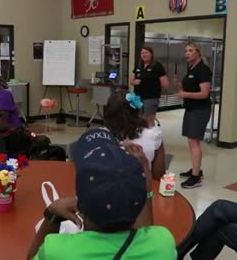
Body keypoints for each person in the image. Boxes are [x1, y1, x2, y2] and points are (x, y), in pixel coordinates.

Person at [27, 129, 177, 260]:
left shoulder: (57, 251)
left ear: (79, 204)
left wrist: (52, 214)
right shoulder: (163, 244)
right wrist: (146, 180)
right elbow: (147, 234)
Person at [104, 91, 166, 180]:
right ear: (137, 111)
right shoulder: (154, 136)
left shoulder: (101, 136)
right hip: (141, 189)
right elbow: (158, 176)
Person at [174, 43, 212, 189]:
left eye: (190, 51)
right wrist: (179, 86)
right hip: (191, 109)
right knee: (191, 142)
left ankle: (196, 177)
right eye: (186, 51)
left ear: (198, 53)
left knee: (193, 141)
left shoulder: (203, 69)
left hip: (200, 110)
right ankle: (196, 169)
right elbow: (188, 90)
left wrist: (184, 94)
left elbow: (204, 94)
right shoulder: (191, 69)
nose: (187, 53)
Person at [130, 46, 169, 127]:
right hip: (138, 97)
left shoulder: (157, 66)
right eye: (142, 53)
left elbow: (165, 84)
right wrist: (135, 82)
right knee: (139, 118)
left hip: (151, 98)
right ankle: (141, 137)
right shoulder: (138, 66)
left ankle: (151, 137)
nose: (144, 54)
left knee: (149, 119)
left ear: (151, 54)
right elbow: (131, 81)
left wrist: (154, 86)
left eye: (146, 52)